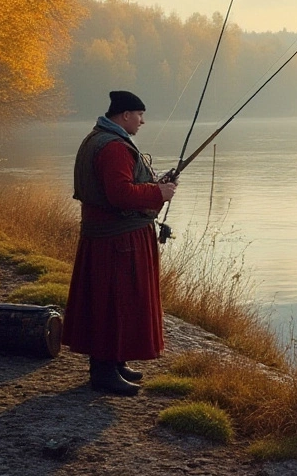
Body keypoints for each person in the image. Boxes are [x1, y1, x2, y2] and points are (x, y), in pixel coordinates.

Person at [62, 90, 178, 396]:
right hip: (118, 241)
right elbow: (120, 195)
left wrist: (155, 186)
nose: (143, 121)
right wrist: (158, 194)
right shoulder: (113, 147)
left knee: (115, 302)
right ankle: (103, 371)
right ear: (125, 115)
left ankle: (115, 362)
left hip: (108, 237)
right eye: (139, 115)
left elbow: (119, 189)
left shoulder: (98, 138)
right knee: (115, 303)